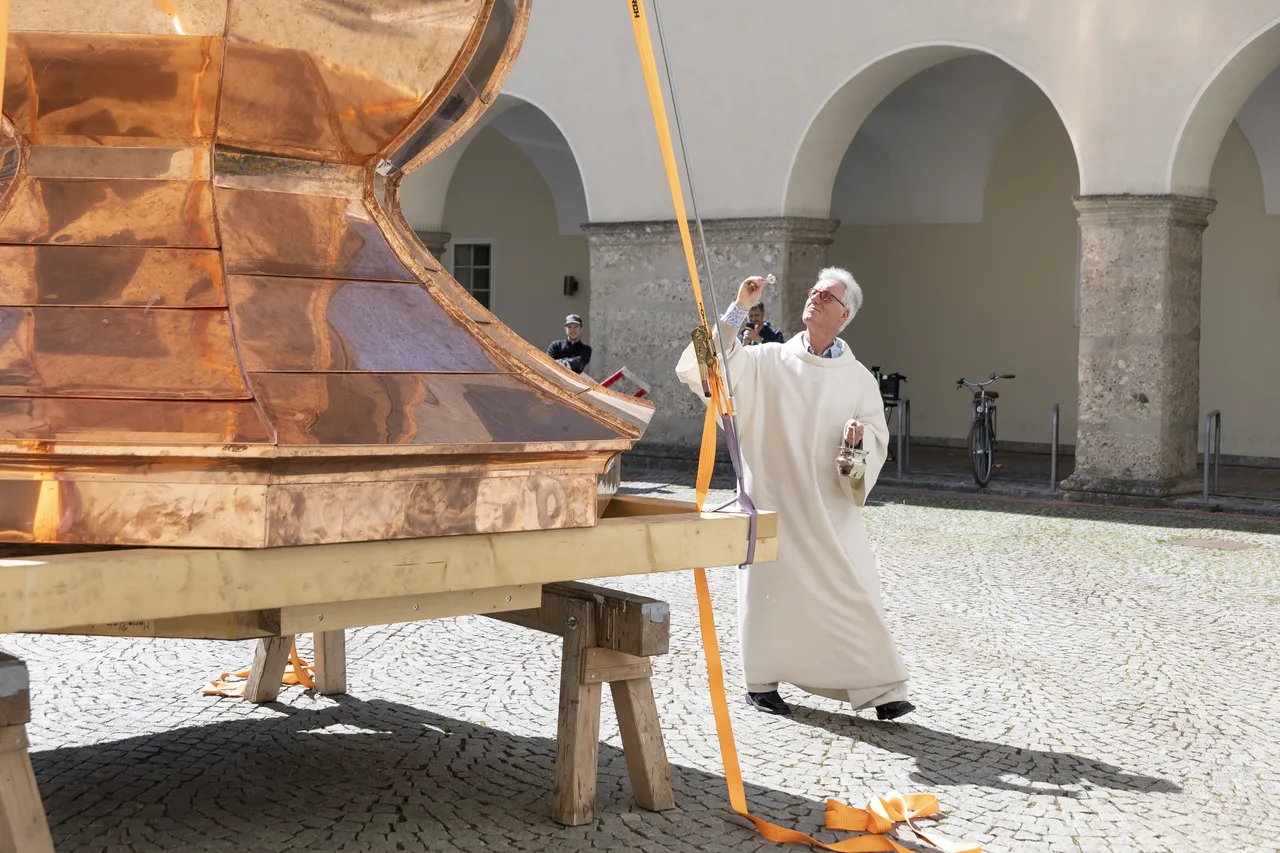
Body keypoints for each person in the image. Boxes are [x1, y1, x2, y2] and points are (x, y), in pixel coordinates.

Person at [675, 267, 914, 721]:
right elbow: (707, 366)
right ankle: (761, 681)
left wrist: (856, 444)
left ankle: (880, 687)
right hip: (773, 502)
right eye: (813, 290)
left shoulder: (860, 380)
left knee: (856, 591)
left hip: (830, 511)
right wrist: (737, 309)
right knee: (771, 597)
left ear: (844, 316)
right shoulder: (765, 360)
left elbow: (871, 452)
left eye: (828, 295)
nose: (816, 297)